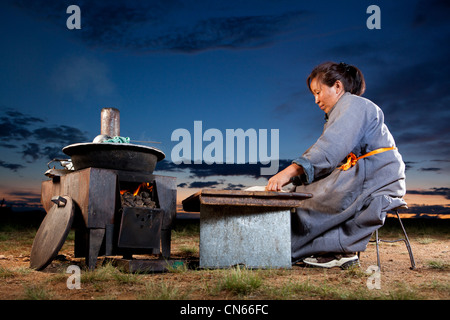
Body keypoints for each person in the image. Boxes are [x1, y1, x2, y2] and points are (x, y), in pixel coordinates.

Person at [266, 61, 406, 268]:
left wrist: (287, 173)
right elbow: (330, 156)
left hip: (374, 178)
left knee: (308, 201)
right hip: (362, 174)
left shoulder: (355, 105)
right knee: (301, 190)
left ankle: (334, 251)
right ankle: (326, 248)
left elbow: (329, 150)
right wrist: (295, 180)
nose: (316, 100)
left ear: (338, 86)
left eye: (318, 92)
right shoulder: (344, 110)